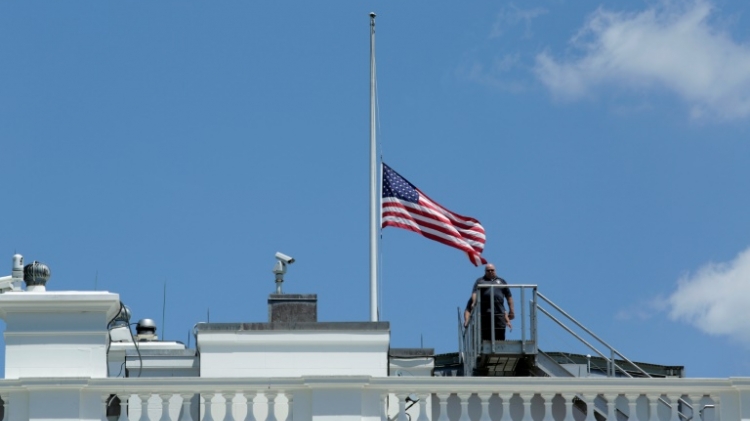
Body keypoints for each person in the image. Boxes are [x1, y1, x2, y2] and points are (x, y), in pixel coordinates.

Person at [463, 263, 515, 341]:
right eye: (488, 270)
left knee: (500, 337)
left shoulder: (501, 281)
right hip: (485, 315)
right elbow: (472, 298)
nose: (490, 272)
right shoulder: (480, 281)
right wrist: (467, 320)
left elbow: (509, 296)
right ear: (485, 271)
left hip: (499, 314)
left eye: (492, 270)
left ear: (495, 270)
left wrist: (512, 311)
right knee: (485, 338)